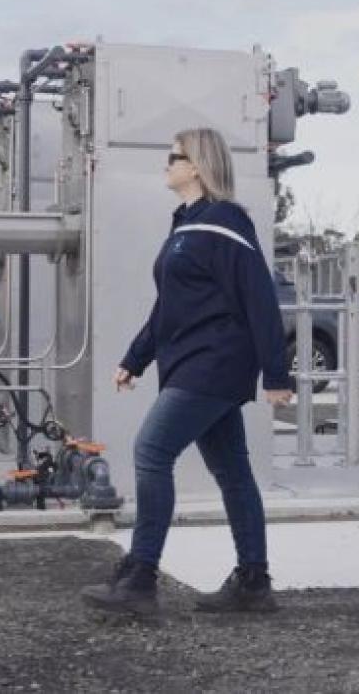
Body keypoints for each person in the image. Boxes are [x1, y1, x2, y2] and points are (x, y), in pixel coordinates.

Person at [80, 127, 294, 616]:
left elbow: (259, 297)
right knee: (233, 471)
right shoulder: (187, 224)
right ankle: (253, 584)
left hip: (214, 362)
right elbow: (168, 308)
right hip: (192, 361)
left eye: (173, 157)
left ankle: (139, 578)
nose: (167, 164)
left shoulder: (225, 221)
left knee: (151, 450)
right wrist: (134, 359)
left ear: (196, 166)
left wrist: (276, 375)